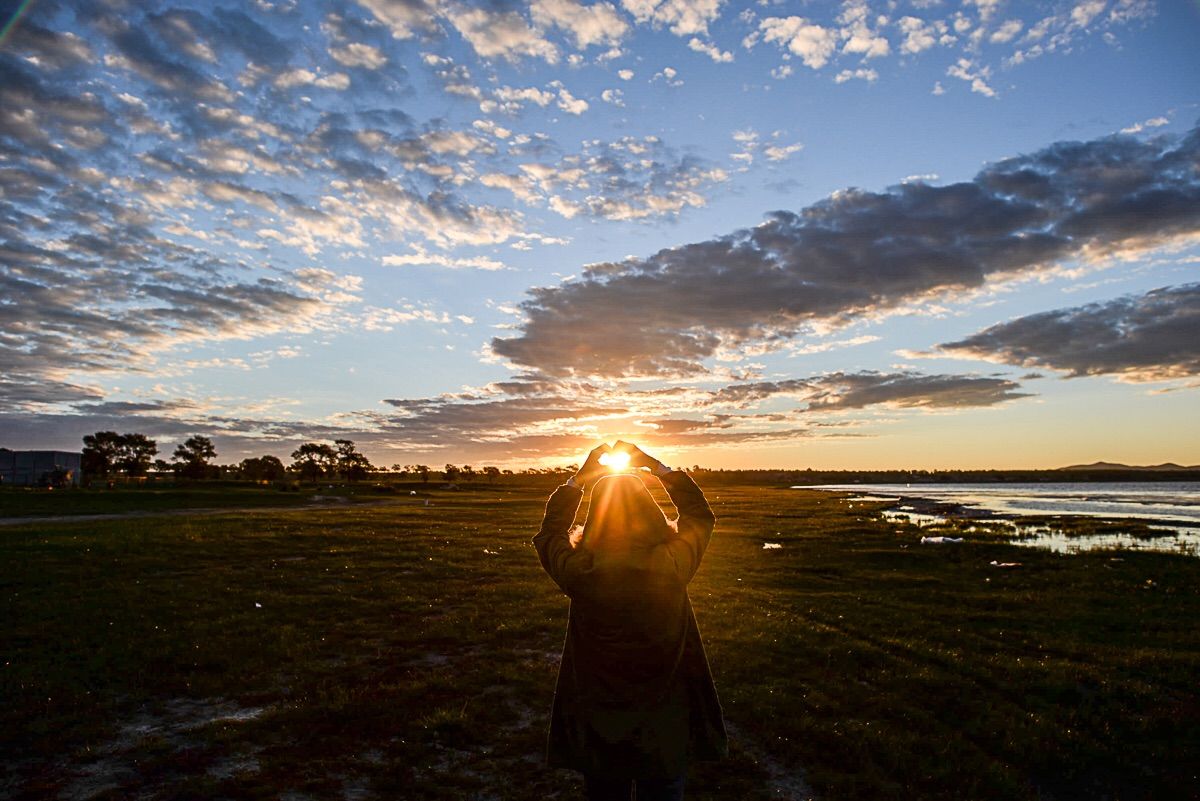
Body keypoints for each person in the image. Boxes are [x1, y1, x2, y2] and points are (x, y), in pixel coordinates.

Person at [533, 441, 727, 801]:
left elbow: (549, 535)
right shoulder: (671, 564)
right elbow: (700, 516)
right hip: (666, 719)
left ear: (596, 519)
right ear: (651, 513)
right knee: (664, 787)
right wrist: (658, 468)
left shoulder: (581, 572)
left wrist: (578, 481)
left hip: (600, 722)